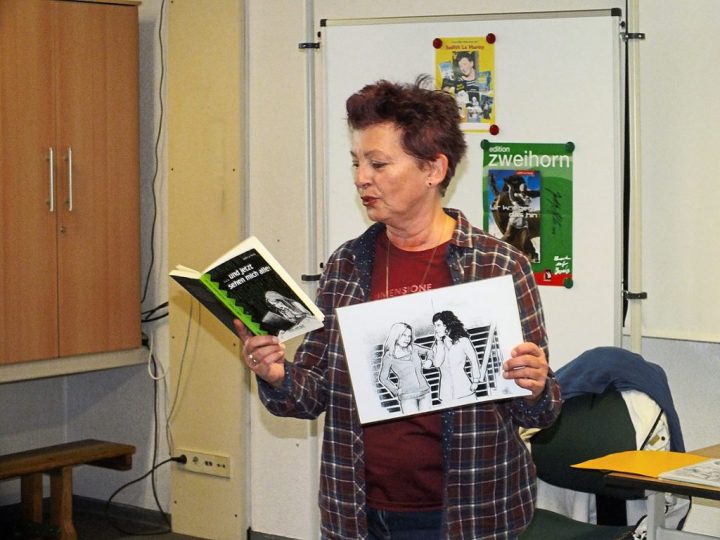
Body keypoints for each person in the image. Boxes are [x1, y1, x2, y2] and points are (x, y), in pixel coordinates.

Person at [234, 77, 561, 539]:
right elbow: (312, 394)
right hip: (358, 512)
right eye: (357, 162)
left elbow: (539, 412)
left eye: (378, 163)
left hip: (471, 513)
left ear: (433, 169)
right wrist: (276, 374)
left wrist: (535, 385)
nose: (361, 178)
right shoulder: (347, 264)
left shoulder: (497, 265)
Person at [427, 310, 485, 402]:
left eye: (438, 325)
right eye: (434, 326)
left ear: (447, 325)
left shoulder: (463, 341)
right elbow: (437, 364)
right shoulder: (437, 345)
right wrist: (439, 342)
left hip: (465, 389)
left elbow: (474, 361)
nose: (435, 329)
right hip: (446, 393)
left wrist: (475, 381)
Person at [377, 322, 433, 414]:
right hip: (407, 396)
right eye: (404, 335)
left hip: (425, 392)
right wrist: (395, 391)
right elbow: (383, 378)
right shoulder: (389, 356)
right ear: (396, 335)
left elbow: (429, 351)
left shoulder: (413, 348)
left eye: (409, 336)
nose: (407, 339)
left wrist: (429, 361)